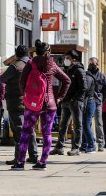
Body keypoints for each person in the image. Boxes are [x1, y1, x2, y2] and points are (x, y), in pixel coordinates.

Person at [11, 40, 71, 170]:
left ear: (36, 51)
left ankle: (20, 162)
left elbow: (22, 81)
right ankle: (42, 162)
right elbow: (67, 80)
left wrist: (26, 95)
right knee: (47, 133)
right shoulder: (52, 64)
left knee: (26, 132)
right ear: (48, 52)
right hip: (49, 104)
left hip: (32, 104)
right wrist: (59, 97)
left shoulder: (30, 63)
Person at [0, 45, 38, 165]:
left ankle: (19, 157)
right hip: (32, 101)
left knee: (18, 130)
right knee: (30, 128)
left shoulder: (15, 66)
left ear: (17, 54)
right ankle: (33, 155)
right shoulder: (34, 65)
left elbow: (2, 79)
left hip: (17, 102)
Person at [50, 49, 87, 156]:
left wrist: (74, 98)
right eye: (65, 58)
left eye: (68, 58)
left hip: (75, 102)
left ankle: (76, 147)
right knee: (63, 125)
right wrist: (61, 98)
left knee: (77, 125)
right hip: (66, 101)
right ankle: (59, 147)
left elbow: (83, 88)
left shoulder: (79, 70)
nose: (66, 60)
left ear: (74, 59)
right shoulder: (68, 70)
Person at [84, 57, 106, 152]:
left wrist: (101, 100)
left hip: (97, 102)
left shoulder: (102, 76)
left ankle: (100, 143)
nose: (91, 65)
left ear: (97, 65)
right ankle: (89, 142)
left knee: (99, 123)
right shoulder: (86, 75)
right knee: (87, 123)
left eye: (93, 64)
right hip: (88, 102)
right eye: (90, 64)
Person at [81, 64, 96, 153]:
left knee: (86, 125)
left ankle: (91, 145)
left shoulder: (88, 78)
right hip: (89, 102)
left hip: (89, 103)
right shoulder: (90, 77)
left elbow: (85, 90)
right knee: (86, 125)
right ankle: (84, 145)